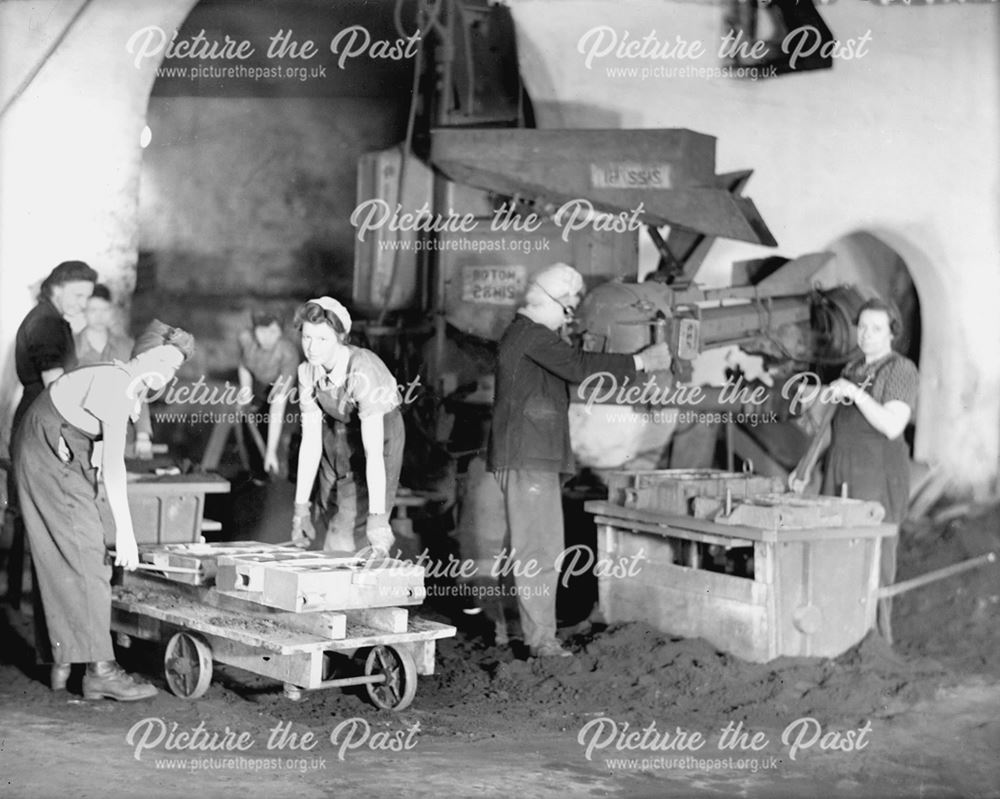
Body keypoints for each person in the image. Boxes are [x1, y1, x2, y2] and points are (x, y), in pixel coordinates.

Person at [487, 263, 673, 658]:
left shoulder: (524, 336)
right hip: (528, 459)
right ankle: (541, 641)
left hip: (529, 457)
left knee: (525, 546)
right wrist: (642, 362)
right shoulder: (530, 334)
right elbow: (578, 367)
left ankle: (512, 630)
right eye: (569, 309)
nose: (569, 319)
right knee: (540, 548)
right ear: (551, 300)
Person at [13, 320, 195, 698]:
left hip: (54, 441)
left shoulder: (128, 384)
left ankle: (63, 663)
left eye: (174, 367)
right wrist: (126, 534)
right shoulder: (118, 385)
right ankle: (100, 670)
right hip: (49, 446)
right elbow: (114, 466)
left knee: (62, 554)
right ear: (142, 353)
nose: (166, 371)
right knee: (88, 553)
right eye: (161, 359)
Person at [819, 298, 918, 644]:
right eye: (861, 326)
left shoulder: (900, 370)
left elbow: (892, 425)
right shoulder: (853, 368)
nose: (866, 335)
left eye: (876, 329)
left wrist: (854, 395)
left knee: (875, 564)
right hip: (842, 472)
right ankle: (840, 639)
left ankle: (878, 645)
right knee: (837, 556)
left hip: (877, 477)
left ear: (893, 333)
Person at [5, 260, 97, 607]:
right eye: (76, 294)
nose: (80, 303)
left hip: (35, 418)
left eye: (86, 297)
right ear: (55, 287)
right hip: (47, 422)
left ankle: (30, 607)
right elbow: (57, 388)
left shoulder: (44, 318)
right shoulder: (49, 323)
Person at [290, 297, 403, 554]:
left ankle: (352, 569)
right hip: (340, 427)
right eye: (307, 337)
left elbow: (373, 454)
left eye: (322, 339)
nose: (312, 348)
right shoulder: (307, 372)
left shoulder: (362, 371)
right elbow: (310, 444)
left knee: (352, 518)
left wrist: (378, 518)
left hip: (381, 434)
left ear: (340, 337)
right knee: (327, 501)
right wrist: (300, 510)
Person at [75, 284, 154, 459]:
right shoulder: (71, 347)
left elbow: (139, 391)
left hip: (121, 434)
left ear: (111, 311)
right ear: (84, 311)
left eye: (104, 310)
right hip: (81, 435)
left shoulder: (126, 346)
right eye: (93, 309)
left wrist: (143, 434)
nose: (99, 316)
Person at [236, 310, 299, 479]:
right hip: (261, 389)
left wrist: (271, 451)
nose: (267, 337)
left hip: (289, 397)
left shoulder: (288, 353)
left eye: (273, 331)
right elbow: (244, 365)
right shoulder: (246, 339)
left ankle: (278, 473)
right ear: (254, 330)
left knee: (280, 445)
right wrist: (246, 390)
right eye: (262, 331)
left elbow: (278, 403)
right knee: (247, 422)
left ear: (281, 332)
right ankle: (256, 475)